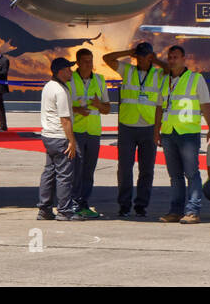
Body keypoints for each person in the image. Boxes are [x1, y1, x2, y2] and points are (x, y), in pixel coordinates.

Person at [102, 41, 167, 217]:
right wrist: (128, 51)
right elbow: (106, 58)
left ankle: (141, 205)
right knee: (124, 168)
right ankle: (124, 205)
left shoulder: (158, 74)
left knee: (147, 169)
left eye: (143, 57)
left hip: (149, 127)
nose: (139, 60)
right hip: (127, 127)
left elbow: (170, 70)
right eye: (137, 56)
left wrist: (156, 60)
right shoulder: (128, 70)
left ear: (150, 58)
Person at [155, 44, 210, 224]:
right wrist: (156, 130)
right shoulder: (165, 80)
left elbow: (205, 105)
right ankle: (175, 211)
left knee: (191, 173)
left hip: (188, 133)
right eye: (170, 57)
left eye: (175, 57)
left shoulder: (196, 79)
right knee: (174, 175)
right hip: (168, 133)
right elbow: (159, 107)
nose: (172, 61)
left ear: (183, 59)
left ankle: (193, 211)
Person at [38, 57, 84, 221]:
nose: (71, 71)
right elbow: (65, 119)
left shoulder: (48, 86)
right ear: (60, 71)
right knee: (65, 175)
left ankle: (44, 209)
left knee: (49, 172)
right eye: (68, 69)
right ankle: (64, 210)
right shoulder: (60, 91)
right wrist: (71, 141)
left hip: (48, 136)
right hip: (59, 137)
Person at [68, 48, 111, 218]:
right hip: (76, 131)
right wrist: (77, 109)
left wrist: (98, 104)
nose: (89, 64)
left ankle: (83, 203)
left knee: (88, 170)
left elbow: (107, 108)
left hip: (93, 132)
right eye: (85, 61)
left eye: (91, 60)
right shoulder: (70, 79)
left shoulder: (99, 80)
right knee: (76, 169)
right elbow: (63, 106)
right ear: (78, 62)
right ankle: (73, 203)